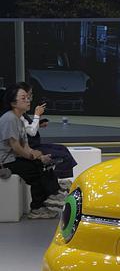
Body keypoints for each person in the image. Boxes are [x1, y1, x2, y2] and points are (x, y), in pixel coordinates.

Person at [0, 86, 65, 219]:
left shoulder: (18, 119)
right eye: (23, 98)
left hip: (14, 157)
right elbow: (16, 147)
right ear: (13, 103)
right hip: (6, 161)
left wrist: (39, 156)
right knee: (37, 171)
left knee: (44, 164)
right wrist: (31, 156)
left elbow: (25, 145)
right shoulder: (9, 119)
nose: (28, 100)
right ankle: (45, 201)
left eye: (28, 97)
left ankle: (50, 197)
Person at [17, 82, 77, 182]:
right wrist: (37, 115)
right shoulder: (16, 116)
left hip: (34, 144)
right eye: (27, 96)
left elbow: (28, 128)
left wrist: (38, 123)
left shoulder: (22, 114)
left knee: (63, 148)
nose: (29, 99)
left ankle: (60, 180)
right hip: (31, 147)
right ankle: (55, 181)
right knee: (63, 156)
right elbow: (31, 132)